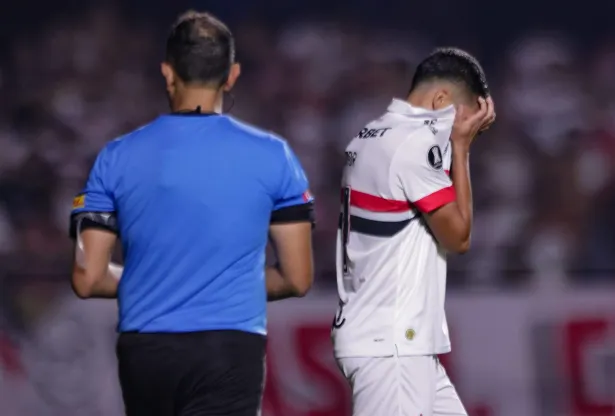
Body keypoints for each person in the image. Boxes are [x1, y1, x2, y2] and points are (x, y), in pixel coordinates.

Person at [68, 11, 314, 416]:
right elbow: (298, 277)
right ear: (232, 75)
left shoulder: (115, 157)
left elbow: (87, 276)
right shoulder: (275, 156)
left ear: (168, 73)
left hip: (147, 350)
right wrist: (215, 285)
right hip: (229, 348)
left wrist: (159, 282)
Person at [332, 47, 495, 415]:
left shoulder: (370, 134)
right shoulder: (413, 145)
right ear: (441, 99)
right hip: (392, 344)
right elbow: (459, 237)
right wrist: (461, 147)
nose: (463, 128)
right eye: (464, 117)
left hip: (395, 340)